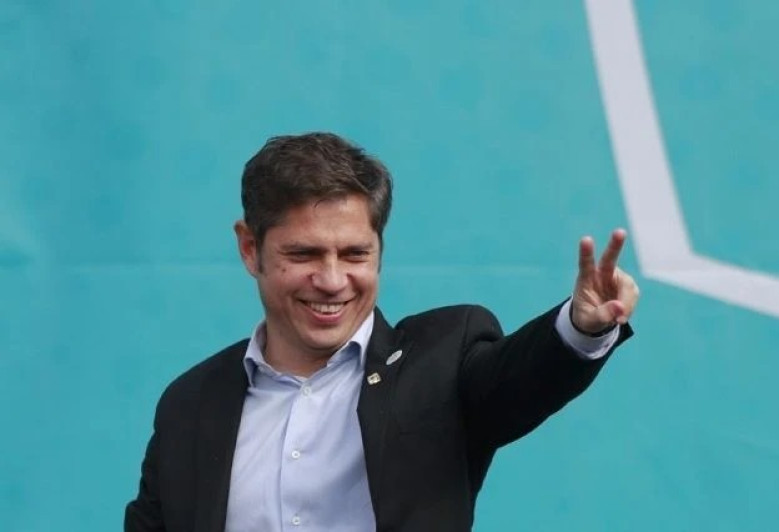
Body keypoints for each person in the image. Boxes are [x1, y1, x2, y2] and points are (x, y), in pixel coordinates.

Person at [125, 132, 639, 532]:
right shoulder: (190, 404)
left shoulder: (441, 361)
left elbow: (520, 380)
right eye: (303, 254)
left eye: (354, 254)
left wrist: (580, 327)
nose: (332, 280)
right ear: (249, 249)